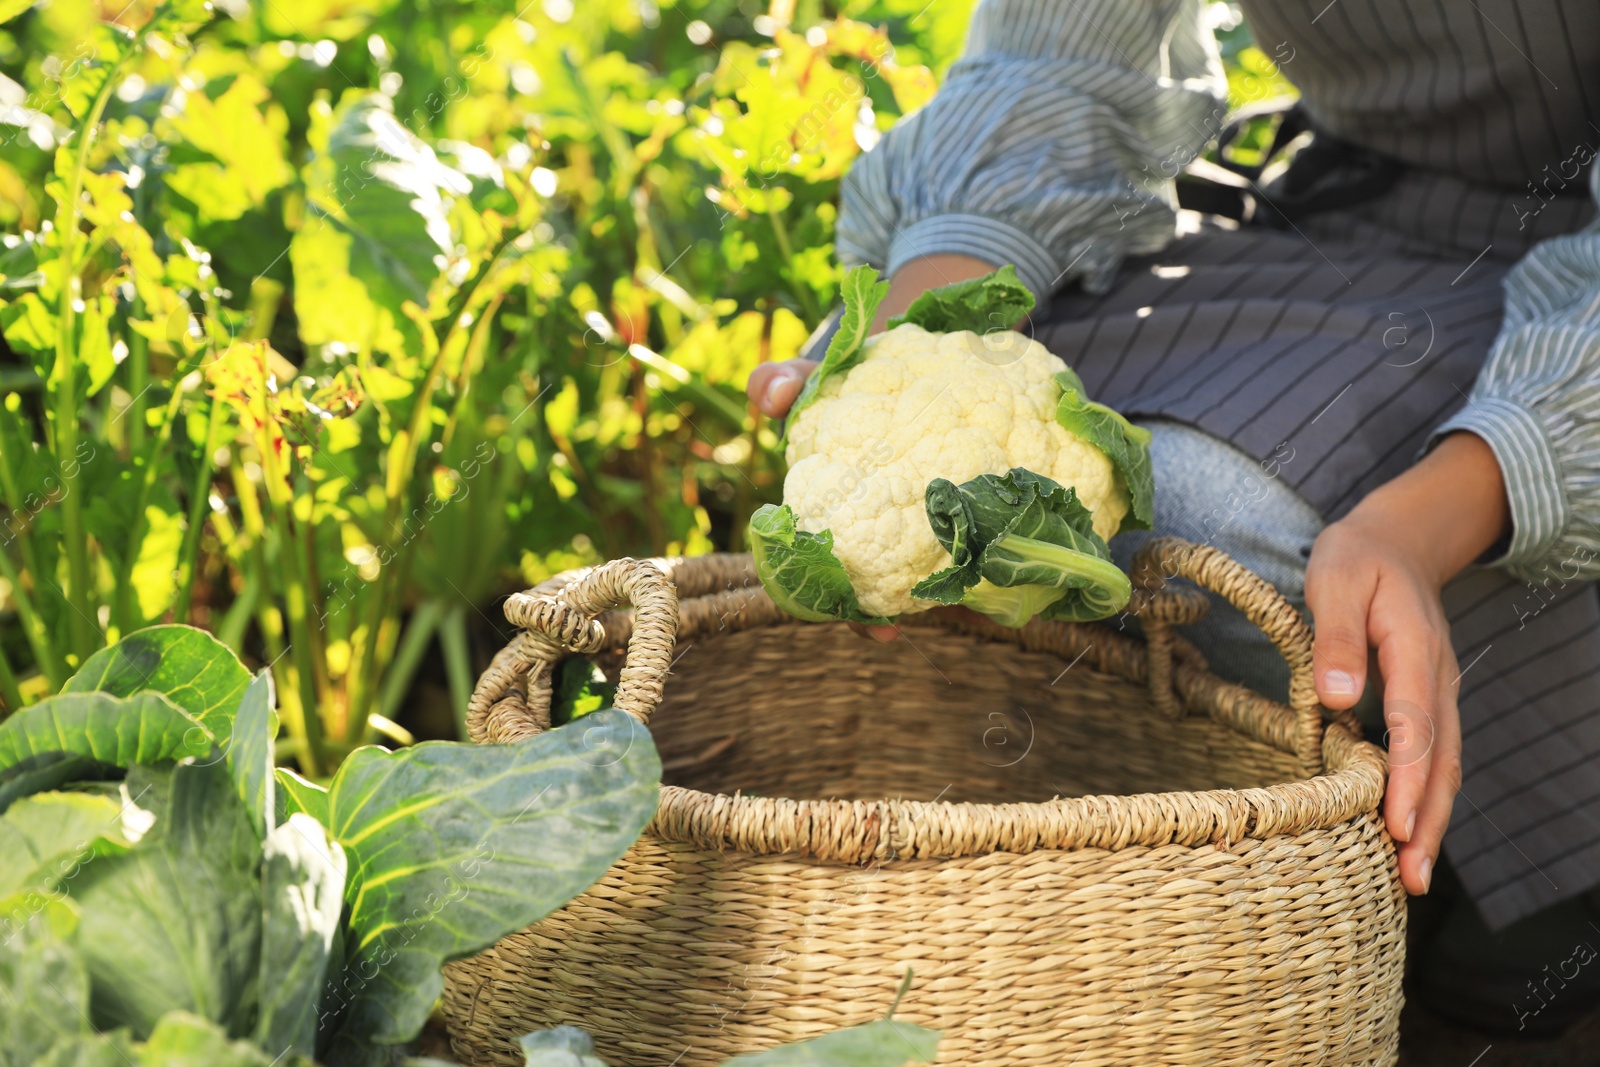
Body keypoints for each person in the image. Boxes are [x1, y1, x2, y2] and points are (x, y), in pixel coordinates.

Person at [746, 0, 1600, 1038]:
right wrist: (914, 359)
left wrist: (1418, 528)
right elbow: (1051, 55)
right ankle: (1089, 904)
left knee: (1205, 516)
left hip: (1559, 279)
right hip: (1342, 215)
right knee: (918, 398)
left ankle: (1416, 933)